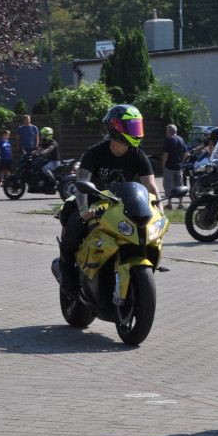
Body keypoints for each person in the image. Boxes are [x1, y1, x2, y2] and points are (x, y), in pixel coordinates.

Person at [58, 104, 160, 294]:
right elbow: (82, 185)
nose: (136, 133)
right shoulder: (94, 153)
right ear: (116, 128)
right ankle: (66, 268)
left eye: (137, 127)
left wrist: (159, 209)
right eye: (131, 127)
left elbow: (151, 186)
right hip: (95, 205)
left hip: (123, 205)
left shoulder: (137, 155)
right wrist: (83, 210)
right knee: (75, 225)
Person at [161, 124, 187, 209]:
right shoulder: (181, 139)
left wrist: (163, 165)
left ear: (168, 132)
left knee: (168, 185)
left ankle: (169, 203)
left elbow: (165, 154)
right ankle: (180, 203)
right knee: (179, 185)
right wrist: (181, 162)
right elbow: (185, 153)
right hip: (178, 166)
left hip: (169, 166)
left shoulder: (168, 140)